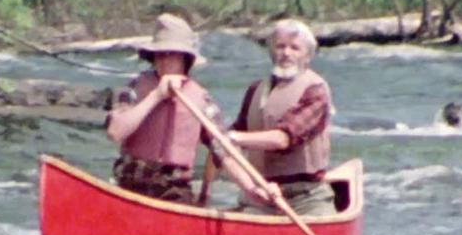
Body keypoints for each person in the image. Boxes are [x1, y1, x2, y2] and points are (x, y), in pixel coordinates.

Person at [105, 13, 277, 206]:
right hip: (131, 186)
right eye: (159, 55)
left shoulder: (201, 99)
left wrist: (251, 189)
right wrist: (156, 96)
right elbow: (115, 132)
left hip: (173, 191)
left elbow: (224, 153)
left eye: (171, 55)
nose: (163, 61)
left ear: (185, 59)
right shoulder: (135, 87)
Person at [225, 18, 336, 216]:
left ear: (307, 56)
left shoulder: (315, 90)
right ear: (271, 52)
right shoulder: (255, 90)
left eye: (295, 48)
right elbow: (228, 144)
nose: (286, 53)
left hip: (307, 198)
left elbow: (283, 138)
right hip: (262, 194)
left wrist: (234, 138)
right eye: (280, 46)